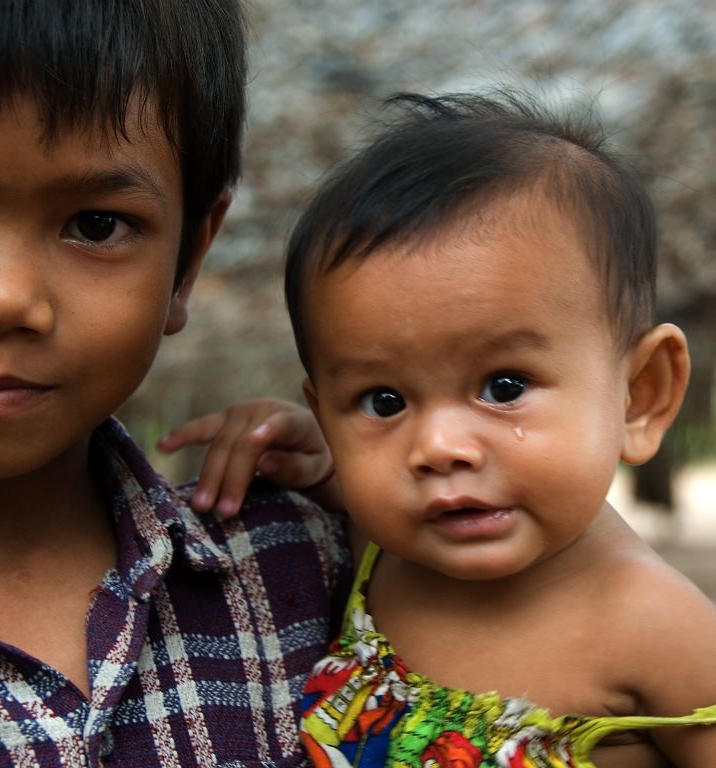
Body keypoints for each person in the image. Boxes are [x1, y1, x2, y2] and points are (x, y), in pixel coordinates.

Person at [165, 92, 716, 766]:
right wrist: (317, 457)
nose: (436, 448)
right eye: (383, 401)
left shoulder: (658, 627)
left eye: (504, 388)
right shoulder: (383, 553)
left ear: (640, 396)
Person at [0, 2, 352, 765]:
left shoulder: (298, 563)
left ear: (188, 263)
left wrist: (371, 488)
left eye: (96, 225)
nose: (1, 299)